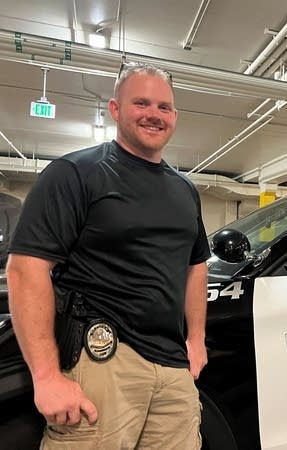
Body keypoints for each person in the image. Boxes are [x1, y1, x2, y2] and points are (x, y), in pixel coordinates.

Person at [6, 61, 210, 449]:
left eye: (164, 107)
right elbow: (25, 269)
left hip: (173, 370)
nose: (154, 115)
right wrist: (47, 376)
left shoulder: (185, 190)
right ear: (115, 109)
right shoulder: (75, 173)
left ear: (175, 117)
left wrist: (197, 339)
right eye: (141, 103)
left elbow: (195, 264)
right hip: (101, 360)